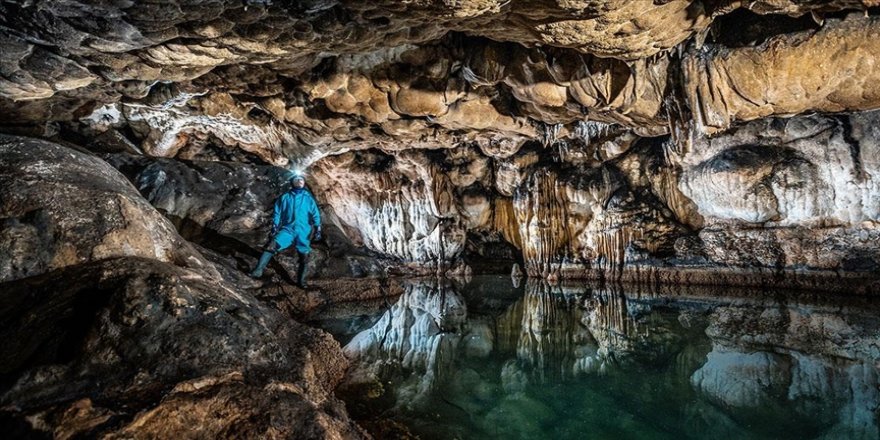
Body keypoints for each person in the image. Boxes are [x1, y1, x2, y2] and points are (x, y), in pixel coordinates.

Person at [250, 173, 322, 288]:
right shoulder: (284, 197)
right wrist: (274, 226)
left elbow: (315, 214)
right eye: (297, 180)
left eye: (301, 180)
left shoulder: (308, 198)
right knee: (271, 246)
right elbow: (277, 213)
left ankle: (301, 282)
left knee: (304, 256)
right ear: (292, 182)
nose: (299, 182)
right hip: (288, 230)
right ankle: (258, 271)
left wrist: (318, 228)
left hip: (303, 231)